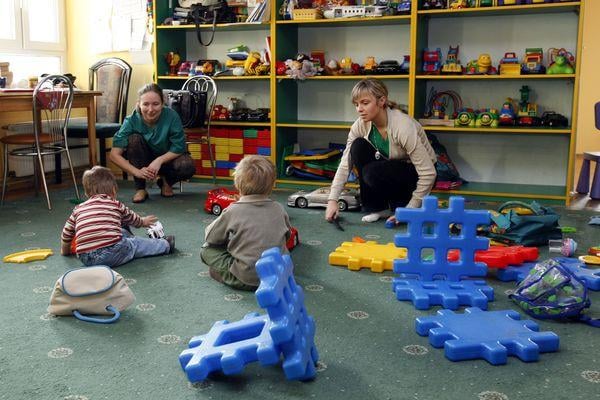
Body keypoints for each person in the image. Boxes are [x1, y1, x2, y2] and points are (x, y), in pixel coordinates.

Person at [325, 78, 437, 224]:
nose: (359, 109)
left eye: (365, 103)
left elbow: (429, 173)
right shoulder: (360, 125)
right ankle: (378, 207)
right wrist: (333, 200)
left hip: (416, 174)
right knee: (357, 146)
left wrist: (410, 210)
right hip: (391, 168)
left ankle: (402, 206)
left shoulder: (403, 126)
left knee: (372, 171)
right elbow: (346, 163)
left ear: (381, 101)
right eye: (356, 104)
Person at [201, 155, 292, 291]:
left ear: (237, 183)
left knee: (206, 249)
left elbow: (210, 237)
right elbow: (288, 235)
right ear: (272, 185)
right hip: (278, 275)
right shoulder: (279, 208)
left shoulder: (233, 210)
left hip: (246, 279)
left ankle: (228, 277)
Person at [60, 166, 175, 267]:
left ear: (86, 193)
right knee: (135, 244)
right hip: (111, 253)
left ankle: (123, 236)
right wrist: (143, 221)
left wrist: (65, 251)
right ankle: (165, 245)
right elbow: (132, 218)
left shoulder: (78, 209)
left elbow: (67, 233)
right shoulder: (115, 204)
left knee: (121, 232)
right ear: (114, 190)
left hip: (85, 258)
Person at [110, 83, 196, 203]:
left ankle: (166, 182)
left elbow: (179, 147)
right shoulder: (131, 120)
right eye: (145, 104)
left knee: (188, 165)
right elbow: (114, 155)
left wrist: (159, 161)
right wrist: (137, 172)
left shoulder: (172, 116)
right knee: (134, 139)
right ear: (138, 105)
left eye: (155, 104)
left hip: (168, 161)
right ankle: (140, 188)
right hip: (142, 162)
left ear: (162, 104)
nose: (150, 110)